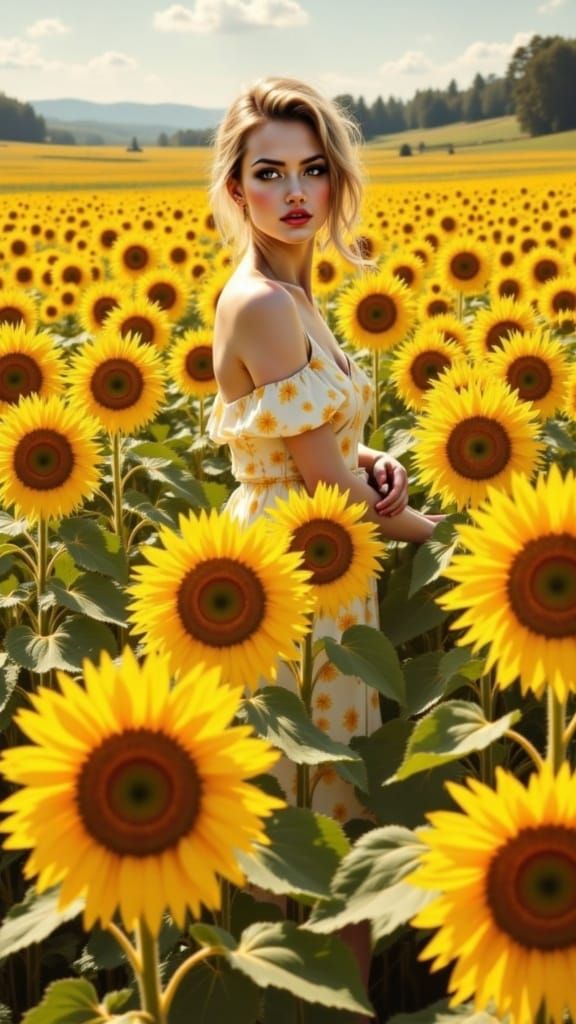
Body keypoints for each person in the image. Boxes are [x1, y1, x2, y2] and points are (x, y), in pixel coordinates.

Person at [207, 77, 439, 821]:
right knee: (316, 798)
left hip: (320, 547)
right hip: (302, 561)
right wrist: (454, 542)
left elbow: (315, 445)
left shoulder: (295, 295)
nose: (295, 190)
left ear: (336, 178)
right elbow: (324, 486)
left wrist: (373, 460)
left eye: (312, 168)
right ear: (238, 192)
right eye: (269, 174)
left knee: (329, 786)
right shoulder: (266, 304)